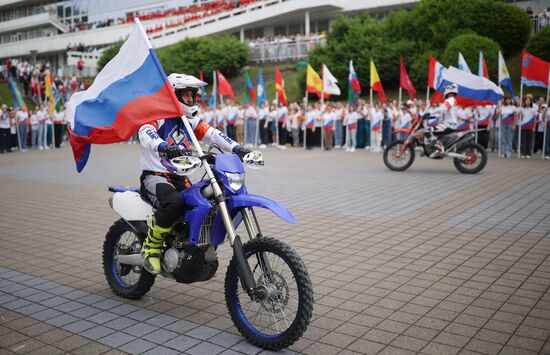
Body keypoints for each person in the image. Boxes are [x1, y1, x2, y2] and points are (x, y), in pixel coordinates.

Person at [138, 73, 251, 274]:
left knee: (206, 203)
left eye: (192, 95)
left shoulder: (190, 121)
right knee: (174, 203)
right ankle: (151, 247)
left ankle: (191, 247)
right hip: (155, 176)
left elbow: (213, 134)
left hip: (180, 177)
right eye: (185, 94)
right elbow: (146, 132)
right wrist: (162, 145)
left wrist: (237, 149)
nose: (190, 99)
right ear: (173, 95)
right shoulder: (158, 116)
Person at [424, 84, 459, 157]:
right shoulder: (451, 100)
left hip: (448, 125)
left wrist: (429, 112)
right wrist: (430, 116)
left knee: (427, 131)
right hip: (448, 124)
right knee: (433, 132)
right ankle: (431, 149)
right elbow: (441, 114)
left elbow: (442, 108)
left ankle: (439, 149)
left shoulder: (451, 100)